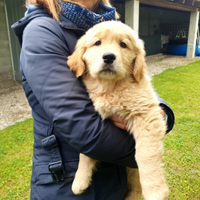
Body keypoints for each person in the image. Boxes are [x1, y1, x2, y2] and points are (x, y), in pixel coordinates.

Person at [12, 0, 175, 199]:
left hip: (114, 179)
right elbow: (83, 129)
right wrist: (145, 140)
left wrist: (163, 114)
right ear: (80, 56)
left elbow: (143, 87)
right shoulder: (42, 31)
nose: (109, 53)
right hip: (63, 180)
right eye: (97, 43)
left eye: (122, 44)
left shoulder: (105, 20)